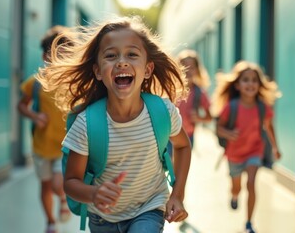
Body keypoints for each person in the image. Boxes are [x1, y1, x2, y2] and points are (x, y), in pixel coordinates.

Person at [36, 16, 192, 233]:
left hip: (149, 207)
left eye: (132, 54)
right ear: (98, 71)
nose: (121, 62)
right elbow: (71, 181)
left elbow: (183, 146)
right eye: (111, 55)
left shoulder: (162, 112)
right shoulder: (86, 124)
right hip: (102, 219)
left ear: (147, 69)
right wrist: (94, 193)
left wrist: (177, 194)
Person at [212, 60, 282, 233]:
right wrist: (229, 134)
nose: (250, 83)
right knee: (237, 186)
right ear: (237, 85)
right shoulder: (231, 106)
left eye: (254, 80)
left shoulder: (262, 107)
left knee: (251, 184)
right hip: (234, 154)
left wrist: (275, 147)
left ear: (259, 84)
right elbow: (218, 128)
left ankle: (249, 222)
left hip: (254, 151)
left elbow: (269, 126)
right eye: (245, 80)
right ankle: (234, 195)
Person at [17, 25, 74, 233]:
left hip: (64, 145)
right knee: (45, 187)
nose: (61, 58)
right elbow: (21, 105)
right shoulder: (35, 83)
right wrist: (34, 115)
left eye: (66, 53)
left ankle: (63, 198)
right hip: (42, 145)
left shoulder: (73, 83)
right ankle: (50, 221)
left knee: (59, 185)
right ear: (44, 56)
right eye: (56, 53)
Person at [176, 49, 212, 147]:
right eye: (184, 66)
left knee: (183, 162)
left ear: (197, 70)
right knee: (170, 162)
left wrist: (199, 117)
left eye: (192, 67)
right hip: (169, 135)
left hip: (188, 135)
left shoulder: (199, 92)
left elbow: (209, 117)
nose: (188, 70)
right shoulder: (170, 89)